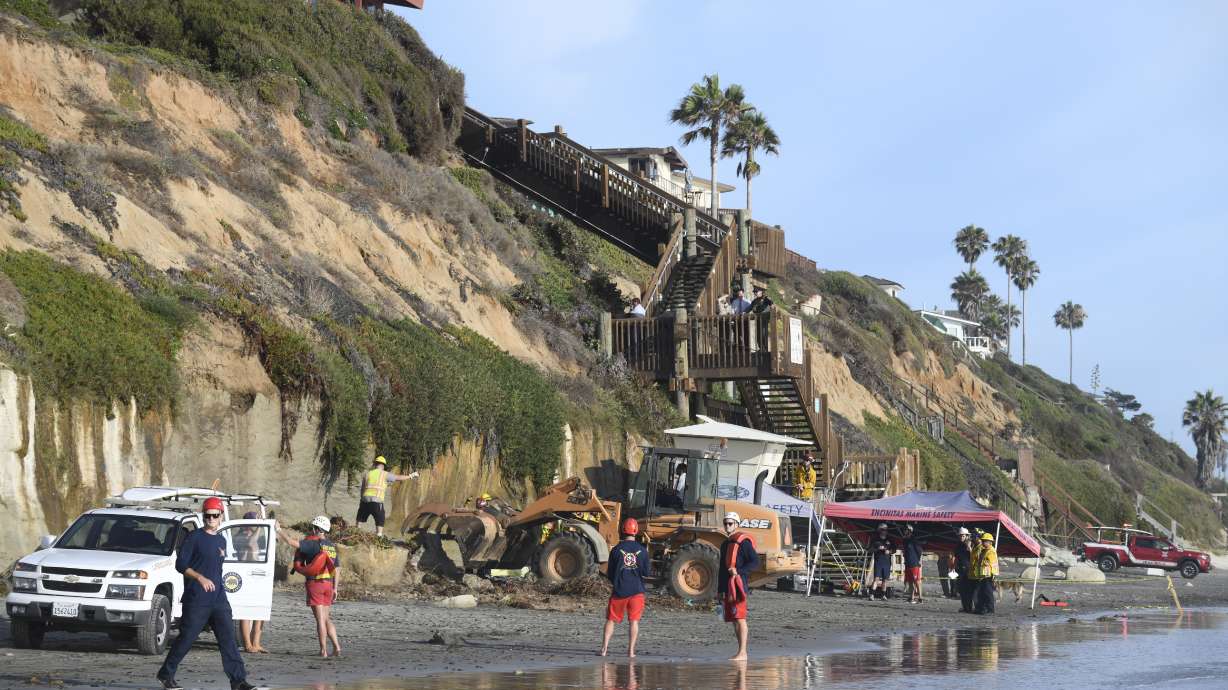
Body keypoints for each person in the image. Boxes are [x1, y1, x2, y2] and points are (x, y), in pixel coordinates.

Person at [156, 497, 255, 690]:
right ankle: (165, 674)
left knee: (228, 640)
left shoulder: (221, 540)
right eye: (207, 515)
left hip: (219, 599)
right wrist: (199, 578)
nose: (211, 518)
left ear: (220, 517)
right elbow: (181, 564)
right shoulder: (194, 537)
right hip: (197, 598)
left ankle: (238, 680)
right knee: (187, 638)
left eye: (214, 515)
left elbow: (216, 569)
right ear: (204, 516)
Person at [277, 516, 342, 657]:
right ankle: (337, 646)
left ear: (317, 529)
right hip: (329, 585)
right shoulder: (331, 546)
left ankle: (323, 650)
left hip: (316, 584)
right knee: (326, 618)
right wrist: (335, 588)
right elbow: (337, 568)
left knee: (320, 620)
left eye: (313, 527)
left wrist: (279, 530)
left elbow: (290, 542)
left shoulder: (313, 544)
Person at [600, 518, 651, 657]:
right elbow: (646, 573)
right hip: (637, 591)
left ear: (623, 530)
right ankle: (631, 651)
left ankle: (604, 649)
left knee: (611, 620)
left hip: (619, 591)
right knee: (634, 622)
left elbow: (609, 573)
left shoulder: (616, 550)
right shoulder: (642, 551)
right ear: (636, 531)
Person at [718, 512, 759, 661]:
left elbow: (755, 563)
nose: (727, 526)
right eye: (725, 523)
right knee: (734, 619)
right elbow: (722, 569)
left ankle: (743, 652)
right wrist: (720, 590)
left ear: (736, 524)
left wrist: (739, 571)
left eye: (730, 523)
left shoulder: (744, 544)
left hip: (739, 585)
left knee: (740, 618)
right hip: (728, 586)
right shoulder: (725, 544)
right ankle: (740, 651)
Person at [357, 455, 419, 537]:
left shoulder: (367, 474)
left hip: (365, 499)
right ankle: (379, 536)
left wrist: (362, 500)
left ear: (375, 464)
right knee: (380, 517)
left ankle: (357, 530)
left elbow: (362, 489)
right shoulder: (384, 474)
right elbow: (398, 478)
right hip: (376, 500)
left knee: (360, 516)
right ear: (383, 465)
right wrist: (411, 476)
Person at [235, 512, 268, 654]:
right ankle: (247, 644)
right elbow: (249, 544)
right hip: (246, 575)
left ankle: (256, 642)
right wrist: (260, 527)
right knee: (246, 612)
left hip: (258, 576)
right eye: (255, 523)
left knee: (260, 611)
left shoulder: (255, 536)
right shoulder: (240, 536)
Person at [971, 532, 999, 614]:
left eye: (985, 541)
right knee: (981, 593)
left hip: (988, 575)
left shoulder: (991, 551)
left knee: (988, 593)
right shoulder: (984, 550)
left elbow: (991, 564)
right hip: (982, 575)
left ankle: (990, 610)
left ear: (990, 542)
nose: (983, 542)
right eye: (982, 541)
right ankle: (980, 608)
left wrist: (993, 575)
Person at [867, 523, 894, 601]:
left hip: (887, 562)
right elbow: (869, 549)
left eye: (885, 530)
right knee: (876, 579)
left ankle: (883, 595)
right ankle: (871, 595)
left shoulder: (890, 539)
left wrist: (889, 551)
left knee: (885, 580)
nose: (884, 531)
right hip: (878, 562)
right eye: (882, 530)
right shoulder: (875, 539)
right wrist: (878, 548)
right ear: (879, 530)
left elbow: (894, 549)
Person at [901, 525, 925, 604]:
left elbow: (919, 551)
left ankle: (920, 598)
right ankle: (911, 598)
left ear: (910, 531)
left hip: (914, 563)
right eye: (904, 530)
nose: (904, 531)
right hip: (907, 563)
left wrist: (917, 560)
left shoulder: (914, 540)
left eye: (906, 530)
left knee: (917, 581)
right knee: (910, 581)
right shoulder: (905, 540)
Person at [954, 527, 975, 612]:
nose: (961, 537)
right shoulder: (958, 545)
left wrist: (969, 548)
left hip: (968, 570)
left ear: (967, 536)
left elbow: (974, 556)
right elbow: (956, 557)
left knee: (969, 590)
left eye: (963, 536)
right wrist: (954, 567)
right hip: (960, 569)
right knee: (962, 590)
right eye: (960, 536)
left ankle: (969, 607)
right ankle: (965, 607)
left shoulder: (971, 544)